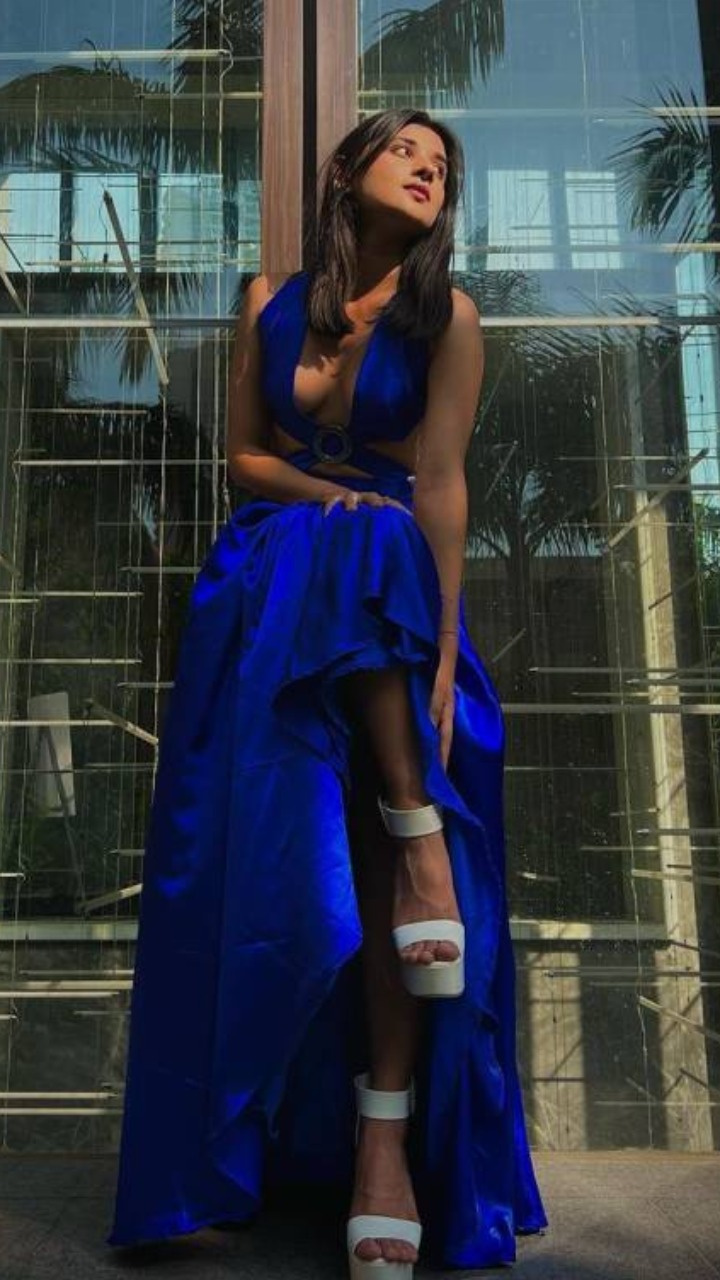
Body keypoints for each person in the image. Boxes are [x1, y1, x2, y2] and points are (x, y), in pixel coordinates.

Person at [106, 107, 548, 1277]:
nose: (428, 170)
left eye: (442, 166)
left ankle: (386, 1144)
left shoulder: (448, 318)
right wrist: (335, 494)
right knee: (283, 864)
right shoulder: (269, 298)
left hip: (392, 614)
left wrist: (443, 650)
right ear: (348, 169)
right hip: (274, 589)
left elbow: (439, 483)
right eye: (407, 151)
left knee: (377, 543)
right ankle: (417, 833)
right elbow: (246, 458)